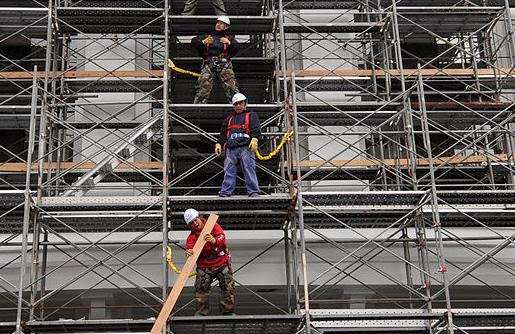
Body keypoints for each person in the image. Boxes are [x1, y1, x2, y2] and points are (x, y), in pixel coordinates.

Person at [183, 208, 235, 316]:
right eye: (191, 223)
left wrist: (214, 240)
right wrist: (189, 254)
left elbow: (222, 238)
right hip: (204, 266)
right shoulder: (191, 238)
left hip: (221, 262)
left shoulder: (213, 226)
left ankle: (228, 312)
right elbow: (190, 251)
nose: (194, 224)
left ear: (199, 217)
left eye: (195, 220)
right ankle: (201, 314)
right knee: (201, 290)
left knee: (228, 287)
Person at [215, 93, 260, 197]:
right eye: (236, 104)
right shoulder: (229, 119)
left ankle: (253, 191)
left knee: (249, 169)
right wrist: (218, 143)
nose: (238, 106)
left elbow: (256, 129)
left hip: (246, 147)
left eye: (240, 103)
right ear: (233, 105)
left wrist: (255, 138)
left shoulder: (251, 115)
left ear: (245, 104)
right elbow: (223, 134)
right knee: (229, 171)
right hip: (231, 148)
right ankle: (225, 192)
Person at [191, 16, 239, 104]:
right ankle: (198, 108)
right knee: (203, 86)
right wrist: (203, 42)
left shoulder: (229, 38)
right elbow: (193, 41)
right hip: (209, 63)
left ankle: (238, 107)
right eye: (218, 23)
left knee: (231, 87)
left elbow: (236, 48)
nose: (218, 25)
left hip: (224, 64)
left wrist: (229, 43)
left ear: (226, 26)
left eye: (221, 23)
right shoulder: (208, 36)